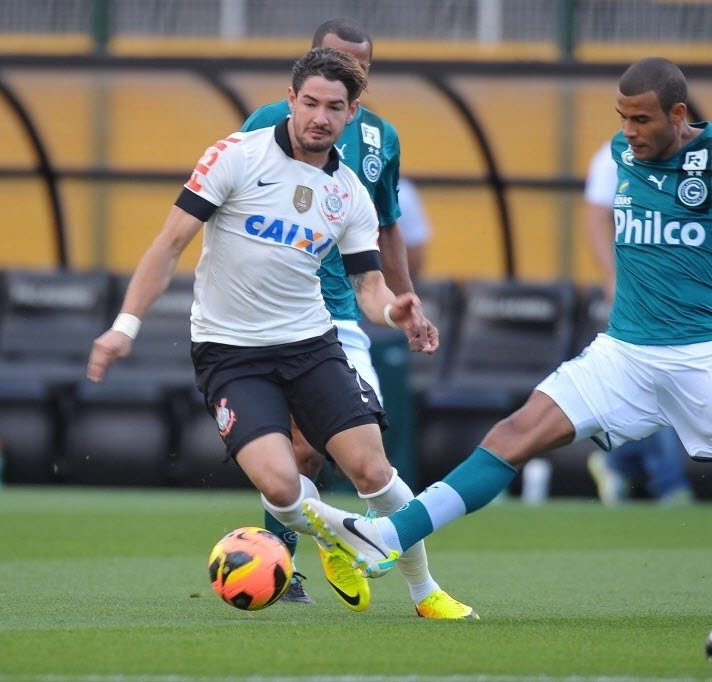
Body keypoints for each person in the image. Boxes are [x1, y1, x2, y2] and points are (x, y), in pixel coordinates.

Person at [302, 57, 711, 587]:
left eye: (642, 120)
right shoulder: (618, 155)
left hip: (698, 353)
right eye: (622, 118)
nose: (628, 132)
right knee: (514, 434)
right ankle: (386, 537)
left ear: (678, 114)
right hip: (625, 354)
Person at [87, 47, 440, 616]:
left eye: (334, 107)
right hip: (231, 354)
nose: (319, 116)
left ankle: (427, 593)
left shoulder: (348, 191)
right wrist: (124, 327)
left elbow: (369, 285)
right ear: (291, 99)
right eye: (309, 103)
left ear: (352, 114)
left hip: (309, 345)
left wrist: (392, 310)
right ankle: (345, 536)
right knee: (280, 487)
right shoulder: (234, 155)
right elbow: (169, 243)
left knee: (375, 471)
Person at [238, 18, 472, 619]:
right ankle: (293, 566)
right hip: (268, 317)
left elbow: (386, 224)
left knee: (355, 458)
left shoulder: (380, 140)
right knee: (297, 452)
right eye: (335, 60)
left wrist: (406, 301)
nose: (347, 72)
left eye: (359, 67)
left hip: (340, 313)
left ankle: (356, 551)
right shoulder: (266, 124)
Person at [582, 141, 695, 506]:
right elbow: (595, 216)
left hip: (685, 299)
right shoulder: (611, 156)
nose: (632, 127)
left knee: (657, 388)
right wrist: (611, 278)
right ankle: (669, 484)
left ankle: (617, 460)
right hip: (636, 295)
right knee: (656, 384)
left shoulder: (697, 158)